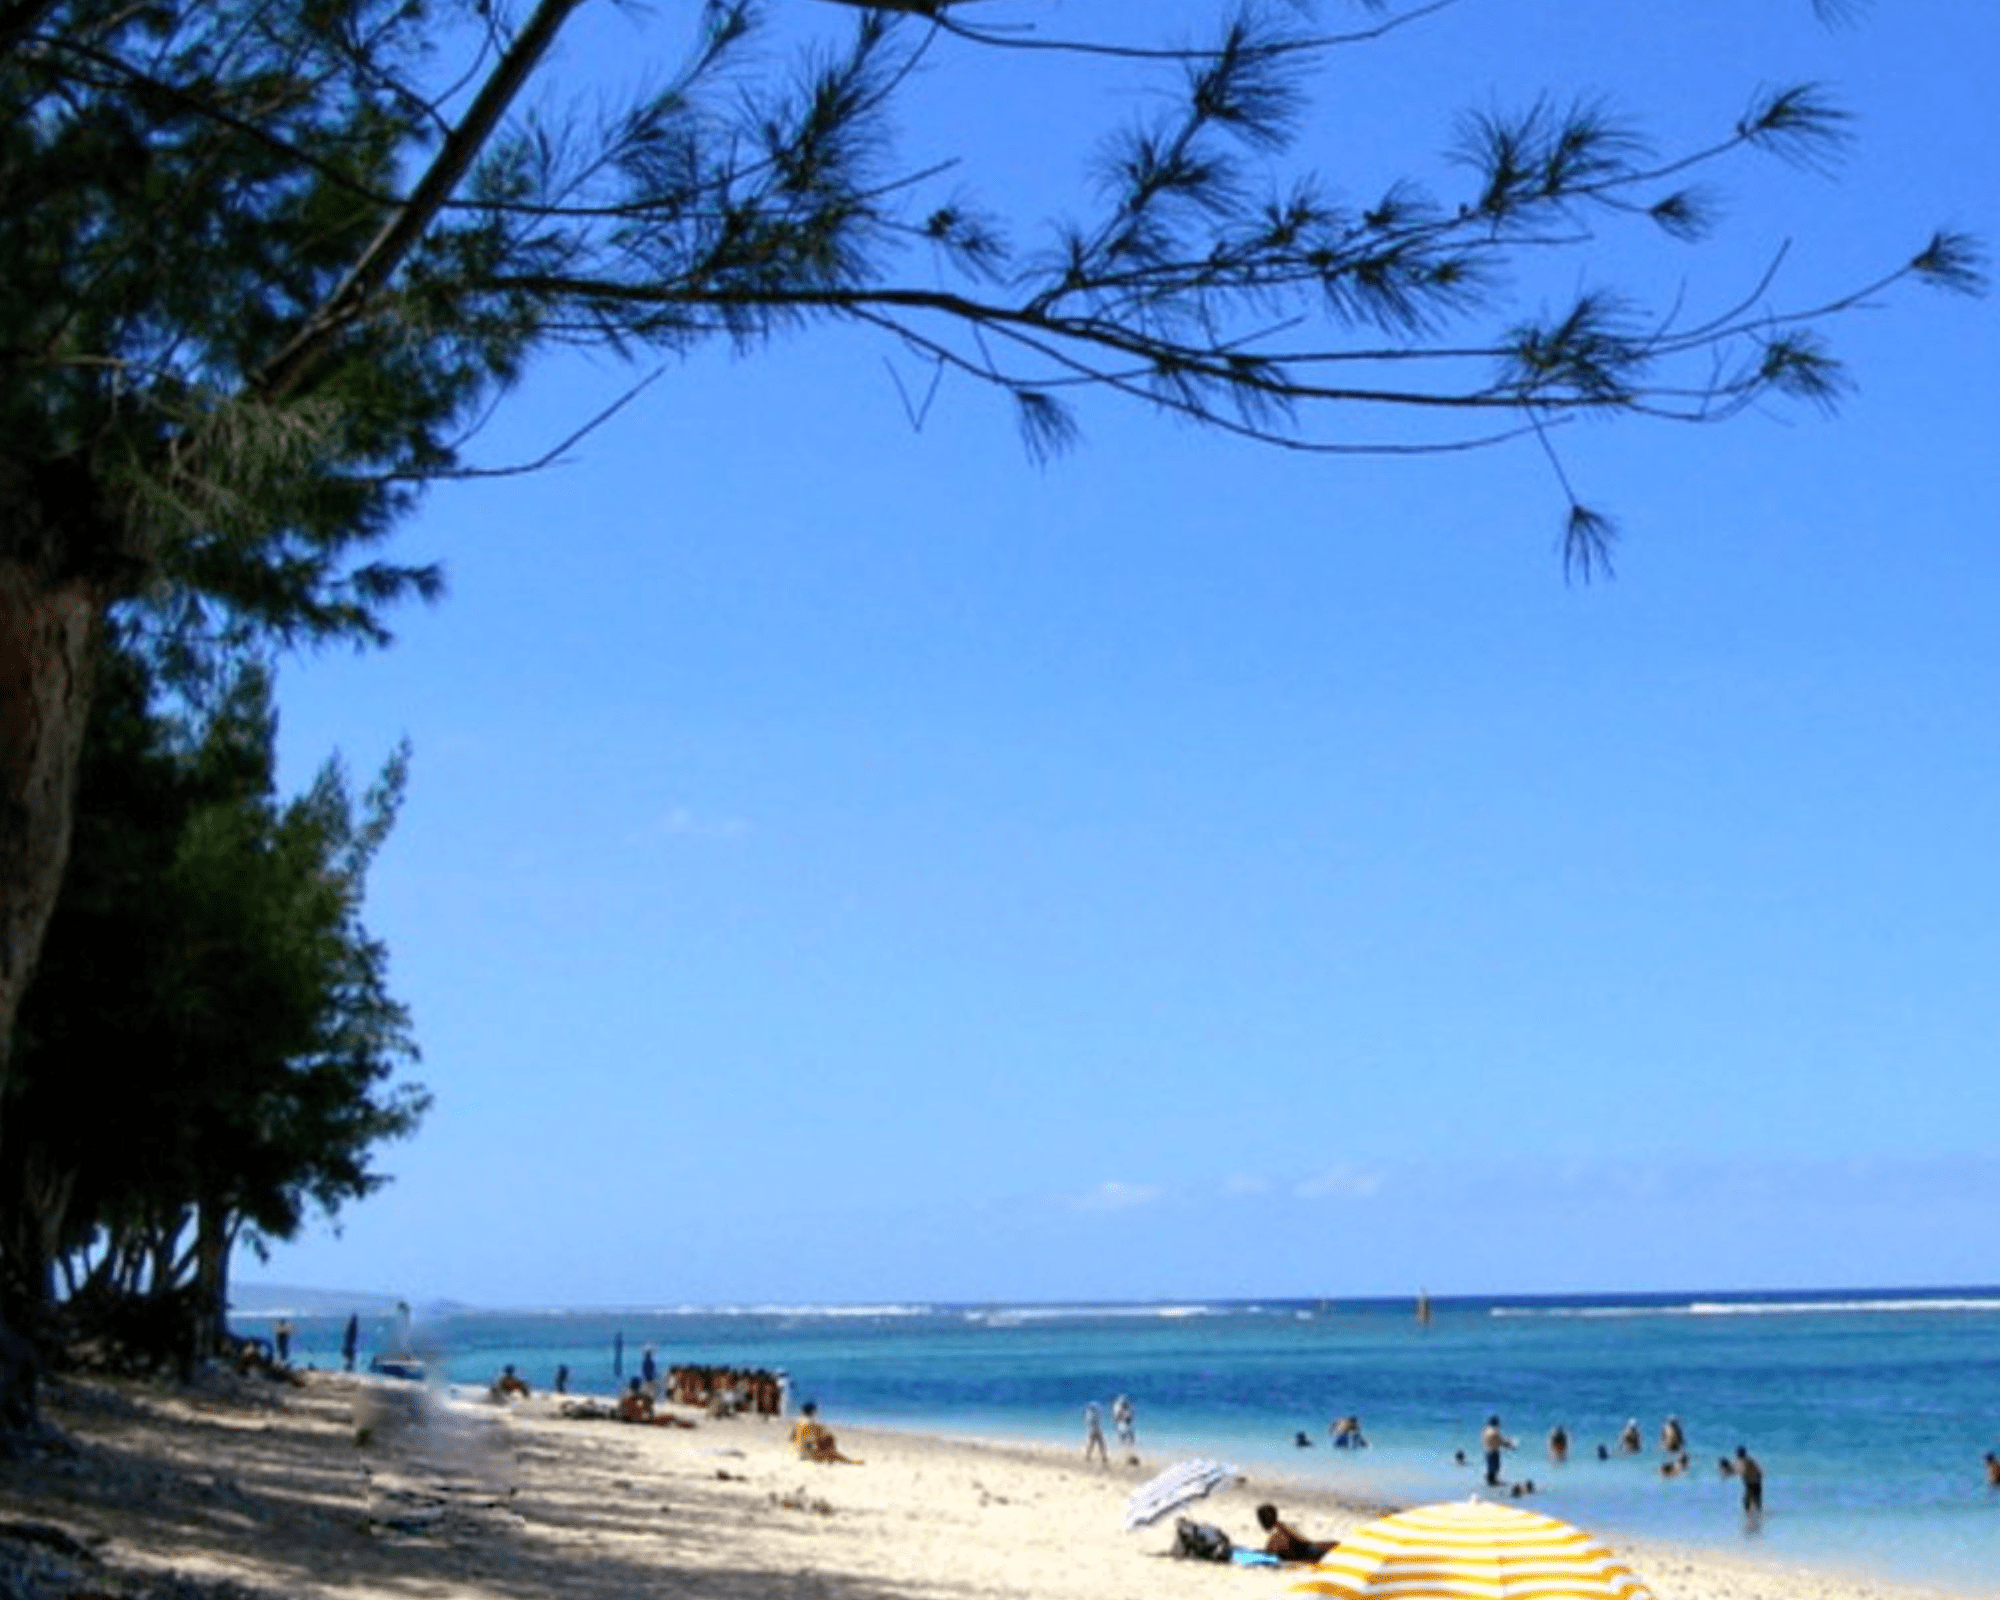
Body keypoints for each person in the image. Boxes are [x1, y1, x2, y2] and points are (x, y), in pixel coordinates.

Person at [1256, 1503, 1336, 1563]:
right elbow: (1303, 1541)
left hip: (1310, 1556)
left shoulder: (1275, 1537)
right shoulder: (1285, 1526)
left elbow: (1269, 1556)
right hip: (1313, 1548)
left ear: (1263, 1521)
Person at [790, 1401, 859, 1463]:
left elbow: (791, 1438)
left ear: (802, 1412)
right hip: (811, 1455)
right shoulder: (815, 1425)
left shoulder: (797, 1423)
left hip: (799, 1453)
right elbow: (821, 1440)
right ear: (814, 1412)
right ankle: (850, 1461)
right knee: (829, 1438)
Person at [1482, 1415, 1515, 1487]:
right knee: (1495, 1467)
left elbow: (1496, 1441)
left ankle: (1490, 1482)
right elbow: (1500, 1442)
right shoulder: (1494, 1432)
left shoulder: (1487, 1431)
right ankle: (1493, 1482)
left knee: (1491, 1467)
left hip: (1488, 1451)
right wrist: (1510, 1446)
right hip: (1493, 1451)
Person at [1735, 1445, 1763, 1514]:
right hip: (1755, 1483)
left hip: (1752, 1483)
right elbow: (1759, 1473)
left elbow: (1746, 1473)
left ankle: (1753, 1517)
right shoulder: (1748, 1461)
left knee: (1748, 1502)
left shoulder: (1745, 1462)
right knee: (1755, 1502)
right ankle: (1757, 1517)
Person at [1083, 1400, 1109, 1465]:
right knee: (1100, 1443)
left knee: (1092, 1444)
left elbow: (1089, 1422)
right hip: (1096, 1430)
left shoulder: (1089, 1414)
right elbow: (1098, 1421)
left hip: (1092, 1430)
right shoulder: (1094, 1413)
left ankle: (1088, 1456)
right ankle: (1103, 1457)